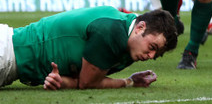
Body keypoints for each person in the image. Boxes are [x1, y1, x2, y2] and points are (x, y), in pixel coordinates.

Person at [0, 6, 177, 90]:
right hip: (6, 54)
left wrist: (63, 81)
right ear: (140, 28)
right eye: (152, 47)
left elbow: (80, 79)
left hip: (9, 55)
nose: (150, 55)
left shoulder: (127, 32)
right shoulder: (113, 33)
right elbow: (87, 83)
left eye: (156, 55)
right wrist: (128, 82)